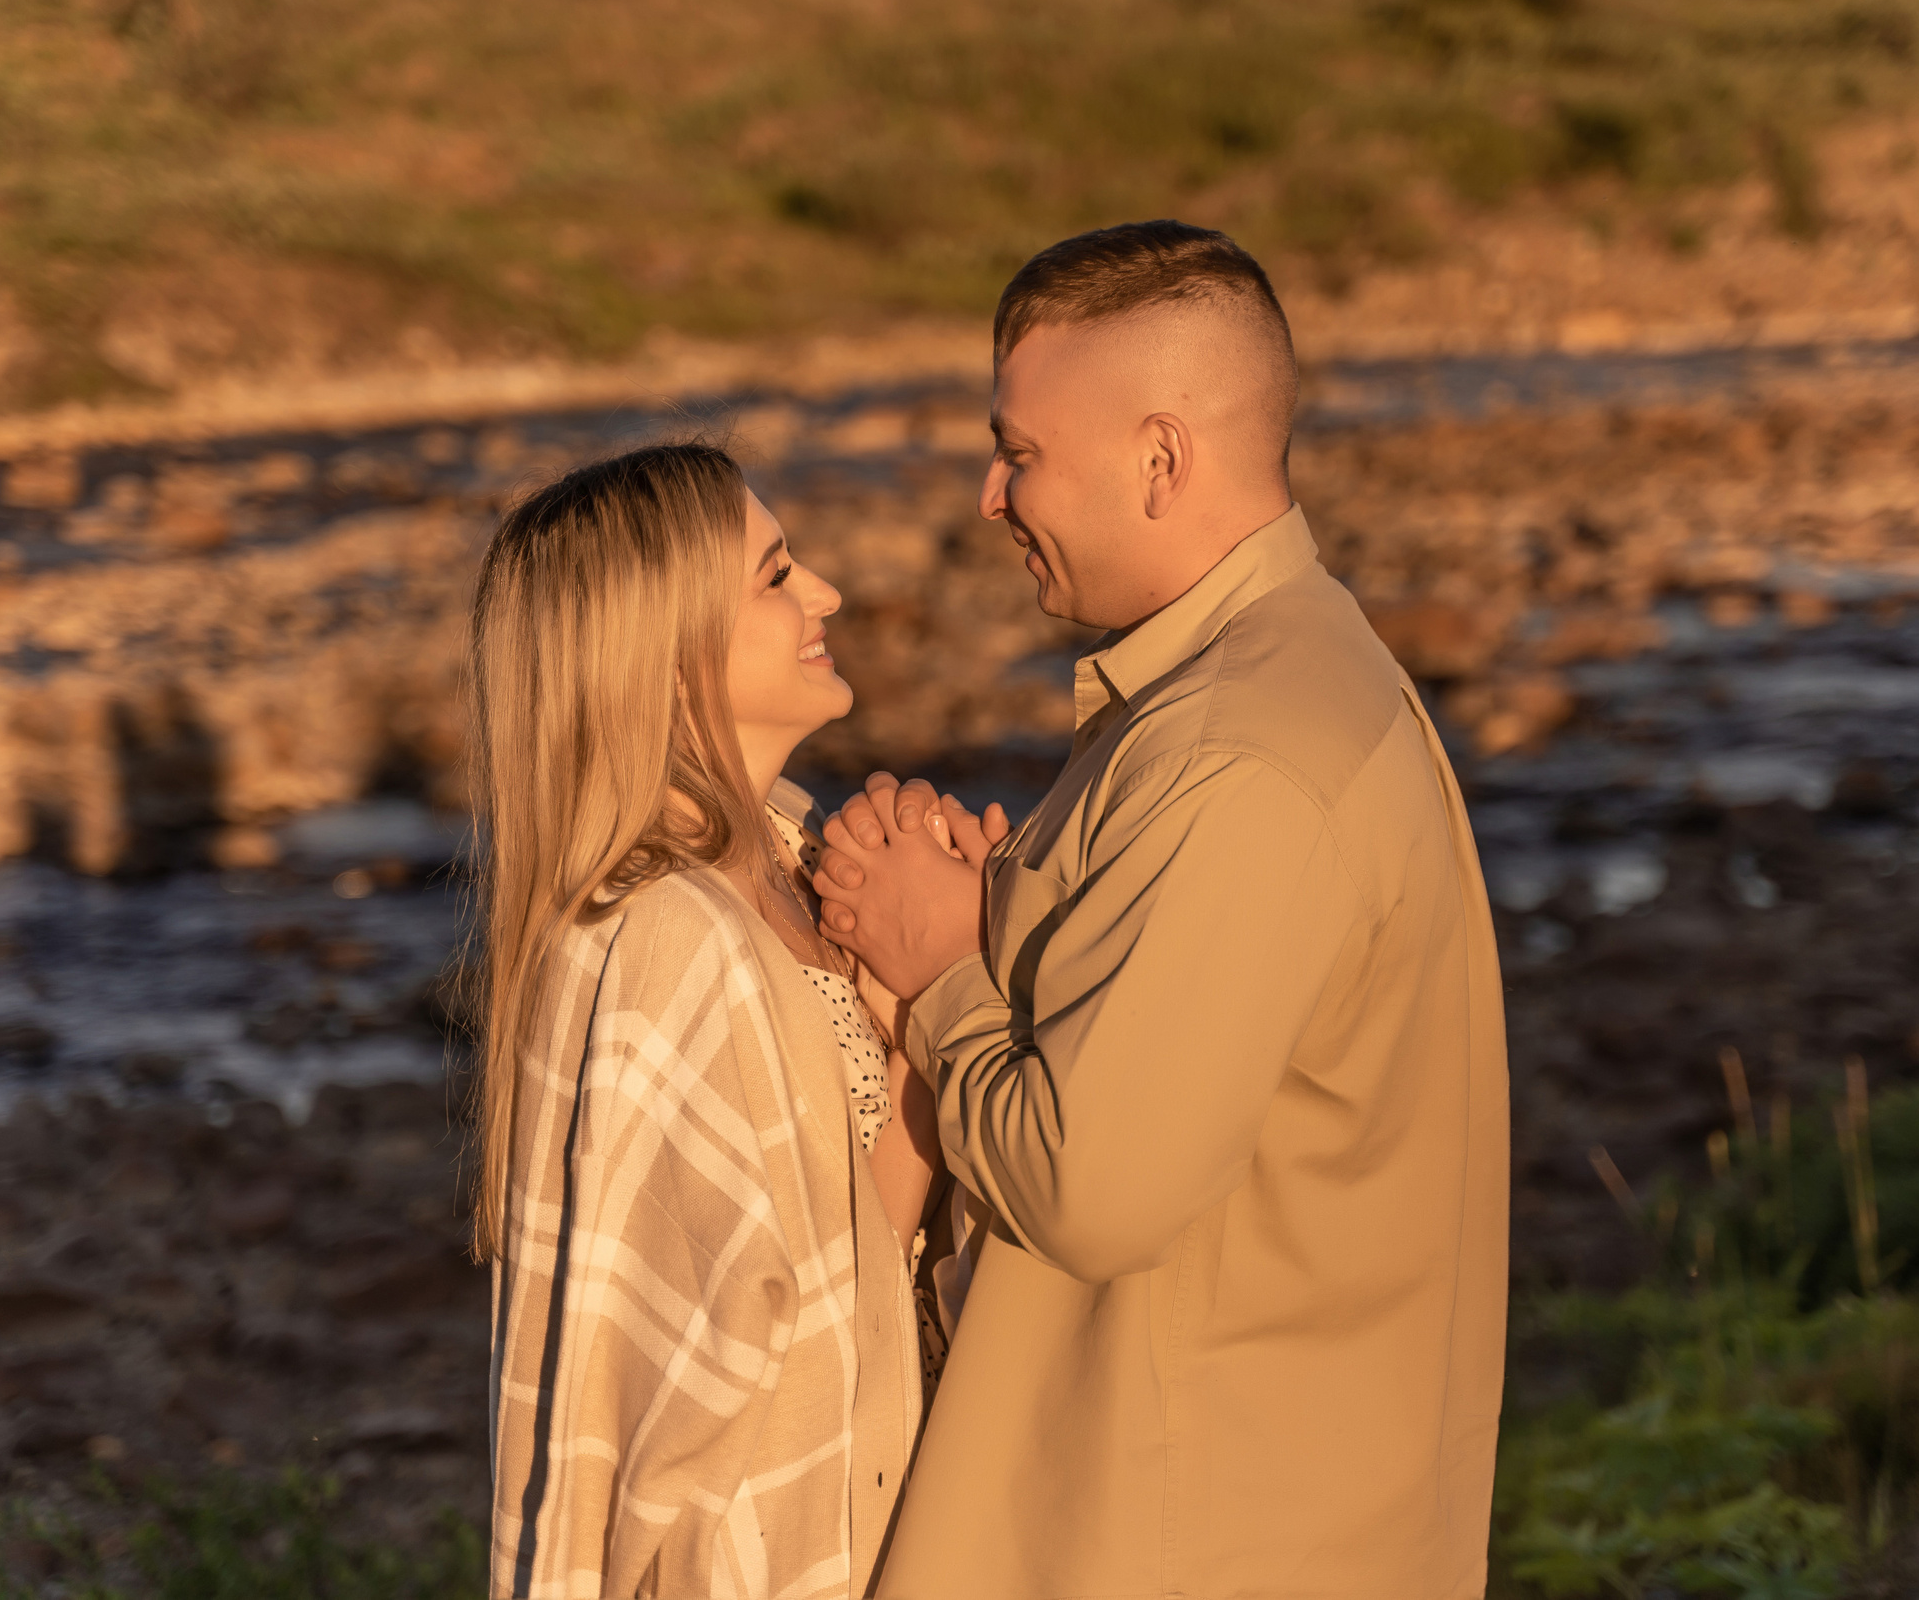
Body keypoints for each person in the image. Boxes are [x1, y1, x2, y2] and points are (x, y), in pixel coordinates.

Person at [814, 221, 1511, 1599]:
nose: (988, 496)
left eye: (1019, 452)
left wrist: (944, 960)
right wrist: (1000, 910)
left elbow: (1094, 1184)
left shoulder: (1235, 754)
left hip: (1175, 1537)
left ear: (1160, 459)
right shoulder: (1283, 677)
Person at [470, 442, 941, 1599]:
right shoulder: (657, 942)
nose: (823, 592)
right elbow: (619, 1409)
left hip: (852, 1533)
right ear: (671, 657)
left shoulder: (785, 868)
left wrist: (913, 999)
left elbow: (838, 1275)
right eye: (777, 576)